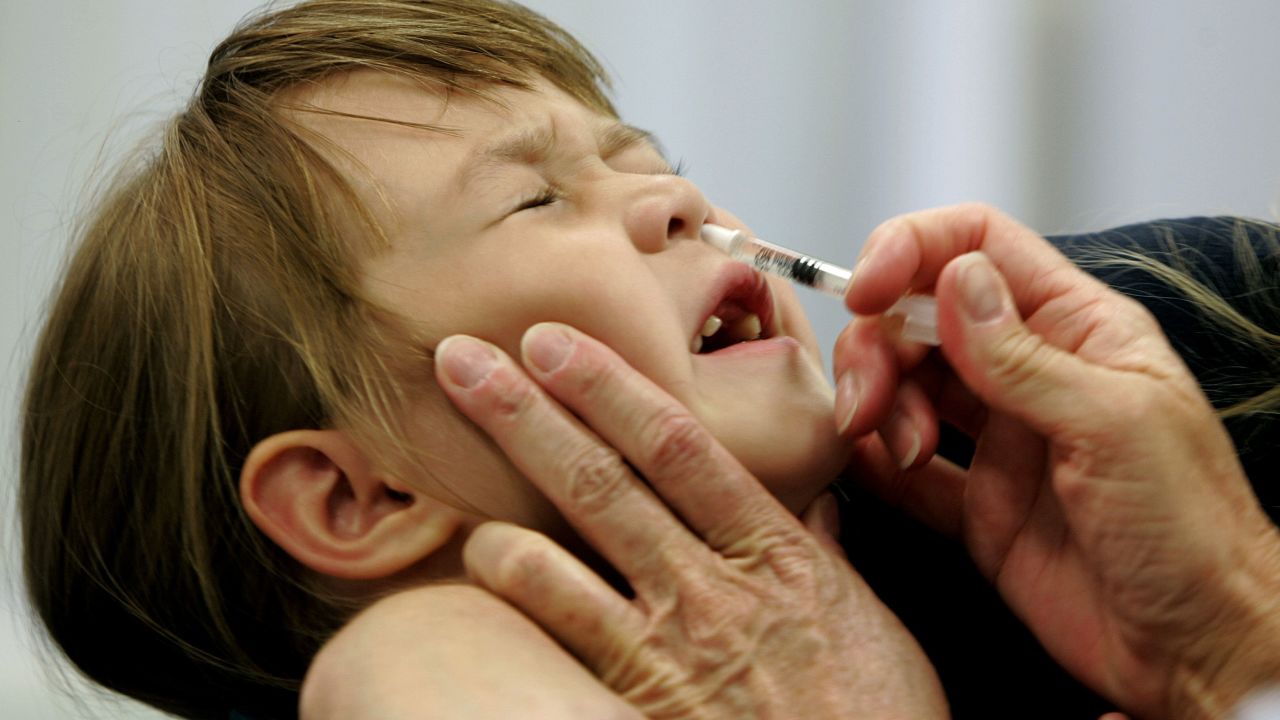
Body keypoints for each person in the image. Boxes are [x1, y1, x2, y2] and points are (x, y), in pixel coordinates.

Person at [19, 1, 942, 717]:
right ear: (359, 497)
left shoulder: (983, 480)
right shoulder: (423, 651)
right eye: (535, 200)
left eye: (647, 160)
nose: (678, 197)